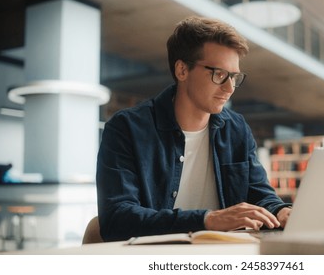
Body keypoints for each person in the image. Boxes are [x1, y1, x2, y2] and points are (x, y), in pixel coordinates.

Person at [96, 16, 291, 242]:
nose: (230, 88)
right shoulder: (126, 129)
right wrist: (207, 219)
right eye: (219, 74)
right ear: (182, 70)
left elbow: (260, 195)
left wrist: (281, 211)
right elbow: (117, 219)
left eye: (234, 77)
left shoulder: (236, 128)